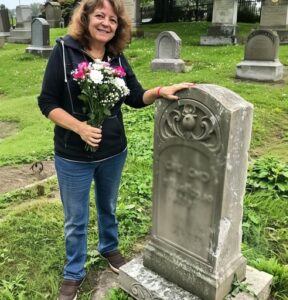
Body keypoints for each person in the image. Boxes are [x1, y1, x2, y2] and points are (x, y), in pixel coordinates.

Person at [38, 0, 193, 299]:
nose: (106, 23)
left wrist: (160, 91)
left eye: (112, 19)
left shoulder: (116, 57)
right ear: (85, 18)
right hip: (73, 156)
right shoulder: (64, 51)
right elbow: (47, 103)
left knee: (108, 206)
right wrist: (80, 127)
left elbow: (134, 96)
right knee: (75, 218)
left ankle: (109, 248)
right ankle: (74, 271)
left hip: (113, 152)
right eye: (99, 16)